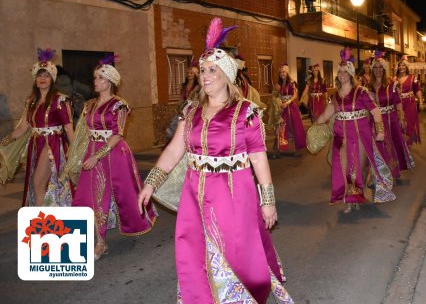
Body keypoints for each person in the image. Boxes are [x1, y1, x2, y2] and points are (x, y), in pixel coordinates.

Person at [137, 17, 292, 303]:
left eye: (212, 70)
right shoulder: (191, 110)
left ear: (227, 75)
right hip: (195, 194)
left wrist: (268, 200)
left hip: (234, 194)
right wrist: (150, 184)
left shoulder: (246, 112)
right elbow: (174, 151)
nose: (205, 75)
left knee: (235, 253)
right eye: (203, 70)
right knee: (195, 252)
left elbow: (258, 156)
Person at [67, 55, 157, 260]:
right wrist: (78, 155)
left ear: (110, 82)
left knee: (116, 194)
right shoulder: (89, 104)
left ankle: (101, 243)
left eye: (100, 78)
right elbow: (84, 132)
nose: (95, 81)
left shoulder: (120, 105)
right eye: (95, 78)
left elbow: (118, 135)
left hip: (113, 154)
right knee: (88, 196)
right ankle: (96, 239)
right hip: (92, 151)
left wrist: (97, 156)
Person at [315, 48, 396, 214]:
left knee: (356, 166)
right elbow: (325, 115)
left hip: (359, 135)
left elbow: (375, 111)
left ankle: (355, 196)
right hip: (340, 137)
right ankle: (350, 198)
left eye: (346, 71)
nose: (342, 74)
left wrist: (380, 131)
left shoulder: (361, 92)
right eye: (340, 71)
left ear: (351, 74)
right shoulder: (335, 96)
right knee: (344, 168)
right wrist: (314, 126)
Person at [0, 49, 74, 207]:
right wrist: (5, 141)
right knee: (39, 186)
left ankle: (42, 222)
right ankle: (46, 220)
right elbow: (23, 127)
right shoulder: (31, 101)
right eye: (39, 75)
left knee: (38, 182)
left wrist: (76, 153)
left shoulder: (60, 100)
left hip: (52, 145)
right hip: (36, 145)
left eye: (46, 75)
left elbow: (68, 128)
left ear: (52, 79)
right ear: (35, 79)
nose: (42, 78)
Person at [368, 55, 414, 176]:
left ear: (384, 69)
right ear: (372, 70)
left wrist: (401, 118)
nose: (378, 70)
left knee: (391, 146)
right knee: (377, 147)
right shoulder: (368, 85)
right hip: (375, 121)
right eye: (375, 68)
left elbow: (398, 103)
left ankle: (390, 172)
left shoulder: (391, 84)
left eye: (380, 67)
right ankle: (378, 173)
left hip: (390, 119)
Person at [276, 64, 307, 155]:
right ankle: (283, 146)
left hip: (291, 107)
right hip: (282, 108)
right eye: (280, 72)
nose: (282, 74)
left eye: (284, 72)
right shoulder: (279, 84)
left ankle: (297, 148)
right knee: (282, 126)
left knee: (294, 127)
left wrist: (287, 102)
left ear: (287, 72)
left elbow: (295, 95)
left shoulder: (292, 82)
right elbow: (277, 96)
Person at [396, 59, 422, 146]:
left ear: (406, 67)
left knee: (409, 124)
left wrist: (421, 102)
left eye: (403, 65)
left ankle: (408, 143)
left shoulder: (413, 78)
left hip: (410, 104)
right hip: (398, 105)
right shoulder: (394, 79)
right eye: (400, 65)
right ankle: (401, 142)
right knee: (400, 123)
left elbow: (417, 90)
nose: (401, 67)